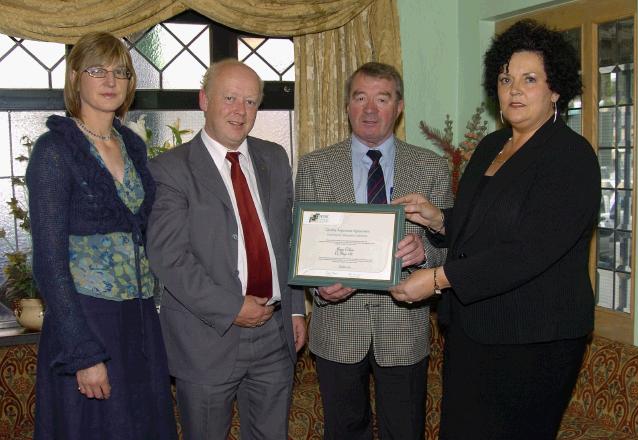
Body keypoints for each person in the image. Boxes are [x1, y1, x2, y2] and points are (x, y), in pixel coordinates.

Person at [389, 20, 600, 440]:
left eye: (530, 79)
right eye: (506, 79)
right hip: (474, 329)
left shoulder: (570, 157)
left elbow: (528, 251)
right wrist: (439, 219)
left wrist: (435, 279)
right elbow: (484, 226)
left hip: (534, 339)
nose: (515, 90)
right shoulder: (491, 146)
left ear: (554, 89)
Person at [27, 32, 177, 440]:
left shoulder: (132, 144)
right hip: (86, 322)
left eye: (121, 72)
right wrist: (84, 353)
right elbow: (49, 262)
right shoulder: (54, 151)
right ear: (75, 78)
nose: (111, 80)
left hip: (141, 323)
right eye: (97, 70)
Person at [146, 59, 306, 440]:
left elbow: (289, 240)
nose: (240, 111)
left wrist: (297, 308)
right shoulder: (170, 169)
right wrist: (232, 308)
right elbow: (169, 257)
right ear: (204, 99)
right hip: (206, 338)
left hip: (274, 332)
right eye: (230, 98)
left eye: (251, 102)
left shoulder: (274, 158)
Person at [295, 61, 453, 439]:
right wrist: (318, 287)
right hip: (337, 327)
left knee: (405, 431)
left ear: (398, 107)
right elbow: (300, 244)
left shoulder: (431, 167)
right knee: (345, 431)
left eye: (381, 99)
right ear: (347, 105)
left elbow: (452, 246)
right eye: (359, 97)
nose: (369, 109)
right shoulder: (315, 166)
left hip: (403, 328)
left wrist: (425, 253)